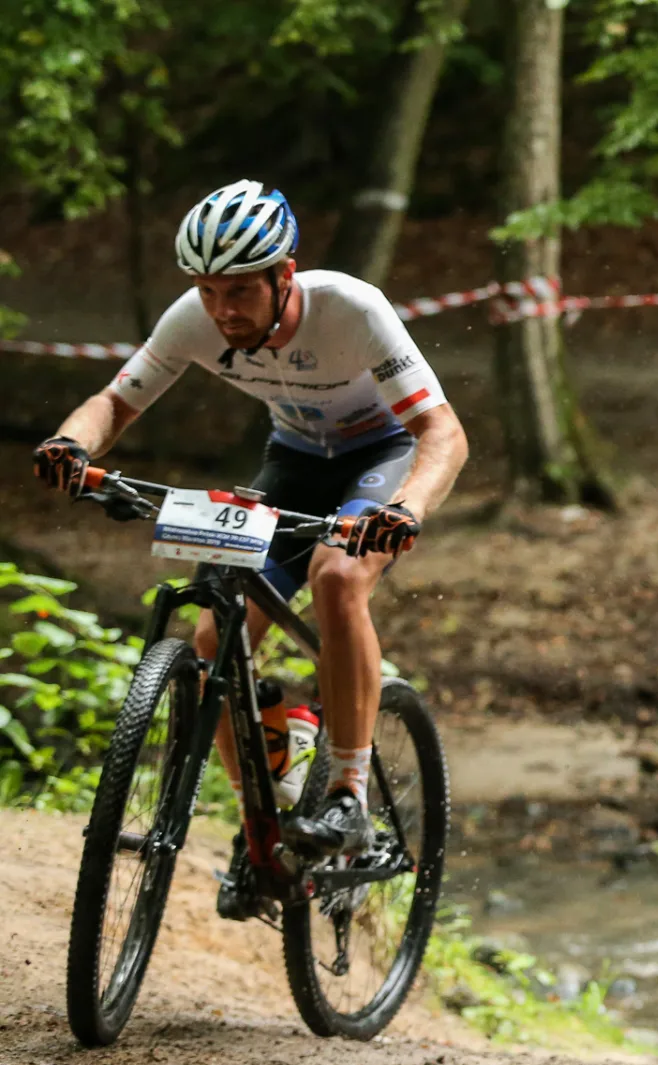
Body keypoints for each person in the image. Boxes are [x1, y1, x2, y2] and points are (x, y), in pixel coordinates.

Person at [32, 180, 468, 913]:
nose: (222, 309)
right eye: (207, 290)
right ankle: (260, 833)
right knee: (210, 642)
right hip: (295, 458)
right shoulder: (194, 319)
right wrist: (71, 444)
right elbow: (114, 400)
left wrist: (404, 507)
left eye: (238, 290)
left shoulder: (350, 307)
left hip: (382, 453)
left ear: (283, 275)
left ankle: (346, 794)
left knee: (336, 577)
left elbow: (442, 432)